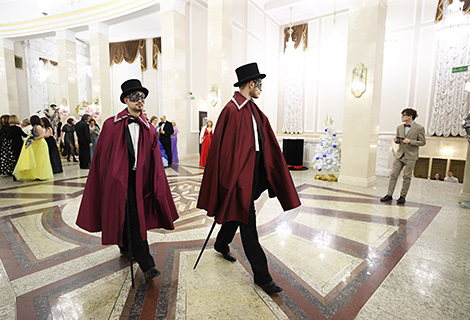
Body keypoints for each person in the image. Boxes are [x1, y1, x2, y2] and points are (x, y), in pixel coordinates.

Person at [197, 62, 301, 294]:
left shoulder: (252, 109)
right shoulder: (230, 110)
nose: (261, 89)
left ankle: (221, 243)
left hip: (253, 173)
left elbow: (261, 143)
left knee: (240, 213)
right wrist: (228, 183)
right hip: (237, 178)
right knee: (248, 223)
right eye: (260, 85)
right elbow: (222, 154)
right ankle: (262, 276)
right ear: (251, 84)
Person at [76, 79, 178, 282]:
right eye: (135, 97)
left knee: (133, 216)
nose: (140, 101)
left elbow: (153, 157)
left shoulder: (148, 127)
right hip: (118, 181)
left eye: (142, 97)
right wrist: (109, 179)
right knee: (133, 218)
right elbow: (102, 157)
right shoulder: (111, 125)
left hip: (140, 180)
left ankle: (124, 245)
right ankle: (147, 264)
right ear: (126, 100)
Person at [381, 108, 426, 204]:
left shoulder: (419, 128)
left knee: (406, 177)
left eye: (404, 115)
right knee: (393, 175)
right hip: (400, 154)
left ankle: (402, 196)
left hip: (411, 156)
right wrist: (396, 140)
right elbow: (399, 140)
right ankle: (389, 194)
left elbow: (422, 142)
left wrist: (411, 142)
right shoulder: (399, 127)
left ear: (410, 116)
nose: (402, 117)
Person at [13, 115, 53, 181]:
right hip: (35, 145)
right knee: (36, 160)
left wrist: (33, 138)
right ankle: (36, 174)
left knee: (41, 160)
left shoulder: (38, 127)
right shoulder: (34, 127)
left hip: (40, 144)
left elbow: (41, 136)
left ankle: (41, 175)